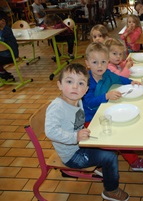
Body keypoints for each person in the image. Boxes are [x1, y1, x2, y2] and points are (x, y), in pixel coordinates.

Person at [45, 63, 130, 201]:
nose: (75, 87)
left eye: (80, 83)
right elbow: (50, 131)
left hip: (81, 144)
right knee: (110, 157)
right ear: (59, 84)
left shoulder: (77, 101)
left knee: (110, 140)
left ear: (86, 89)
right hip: (72, 155)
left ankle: (104, 168)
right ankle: (111, 190)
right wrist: (75, 136)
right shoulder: (57, 107)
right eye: (69, 81)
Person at [82, 42, 143, 172]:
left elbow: (119, 79)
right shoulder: (86, 81)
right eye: (95, 62)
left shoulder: (107, 73)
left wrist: (131, 82)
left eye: (103, 62)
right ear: (87, 63)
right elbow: (89, 102)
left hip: (106, 111)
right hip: (91, 119)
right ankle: (133, 161)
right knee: (117, 136)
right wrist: (106, 96)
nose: (100, 66)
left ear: (108, 61)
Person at [0, 11, 17, 80]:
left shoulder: (6, 30)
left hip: (10, 55)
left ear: (3, 21)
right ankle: (2, 72)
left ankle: (2, 72)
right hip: (3, 55)